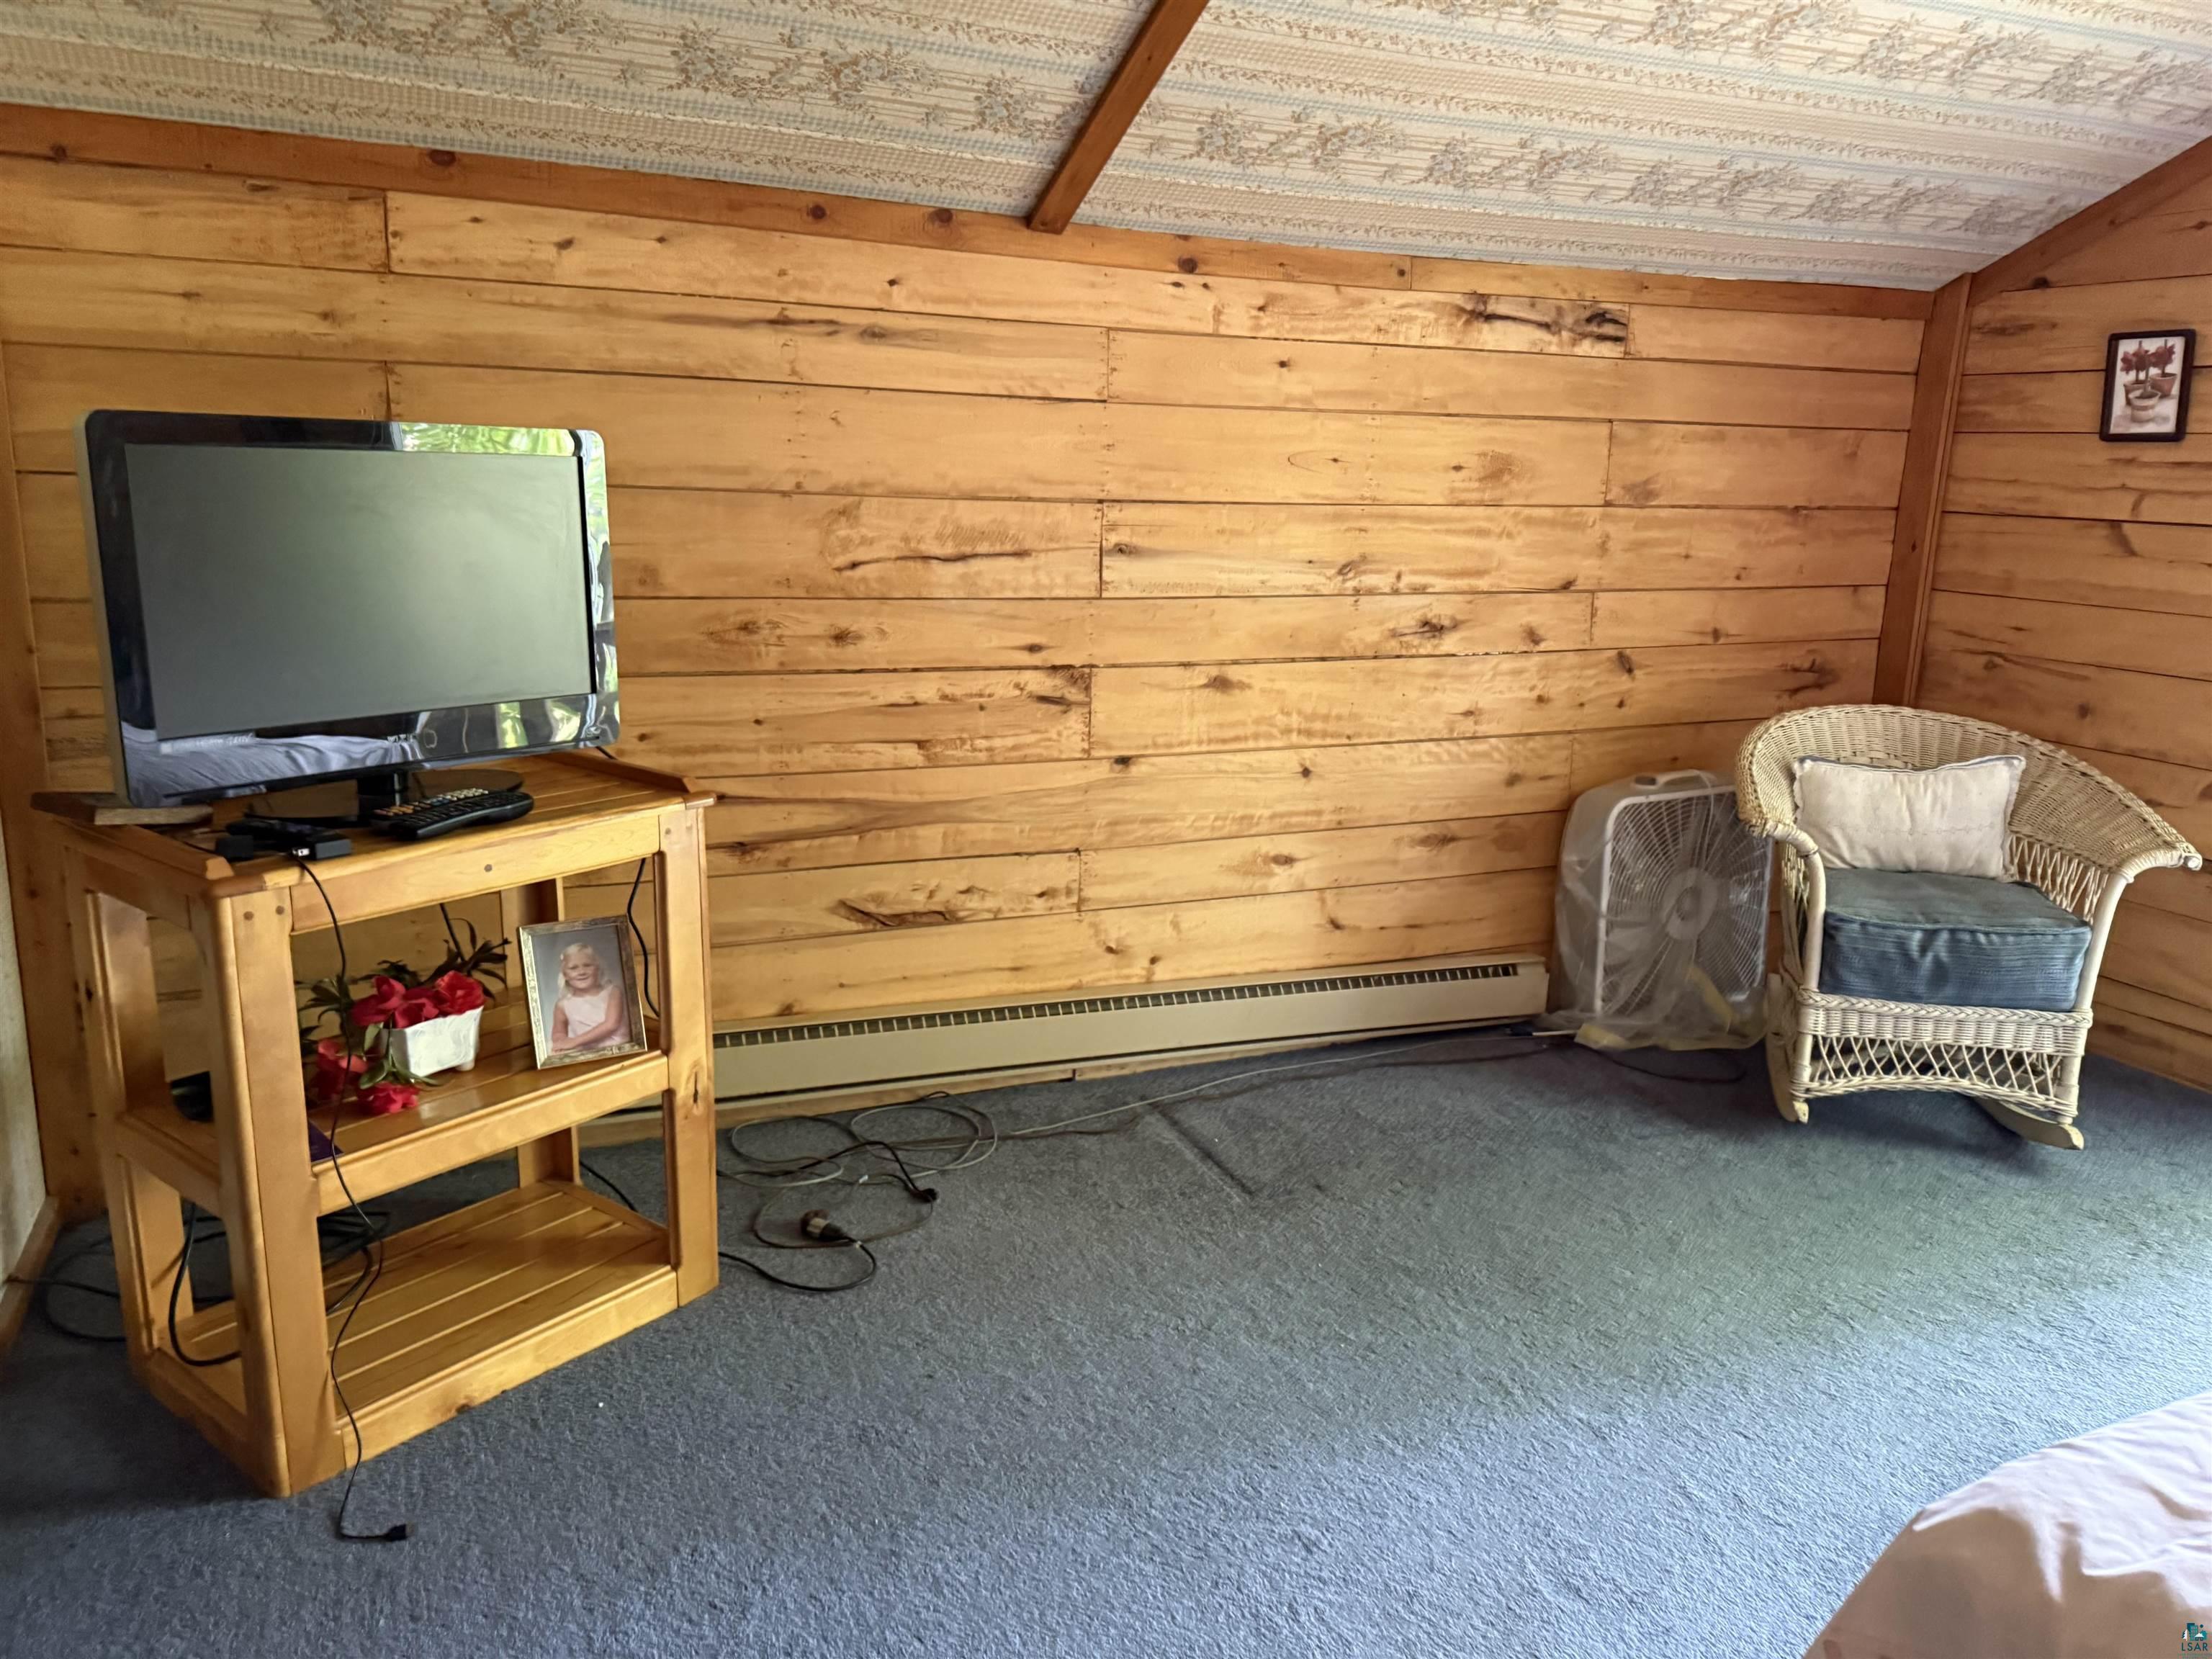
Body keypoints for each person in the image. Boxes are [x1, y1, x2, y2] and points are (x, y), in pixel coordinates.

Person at [546, 939, 629, 1056]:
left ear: (597, 969)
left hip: (617, 1050)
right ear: (565, 975)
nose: (581, 972)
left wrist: (574, 1042)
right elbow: (559, 1032)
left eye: (587, 965)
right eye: (573, 968)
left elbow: (611, 1025)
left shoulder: (613, 992)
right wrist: (561, 1042)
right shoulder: (563, 1005)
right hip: (587, 1054)